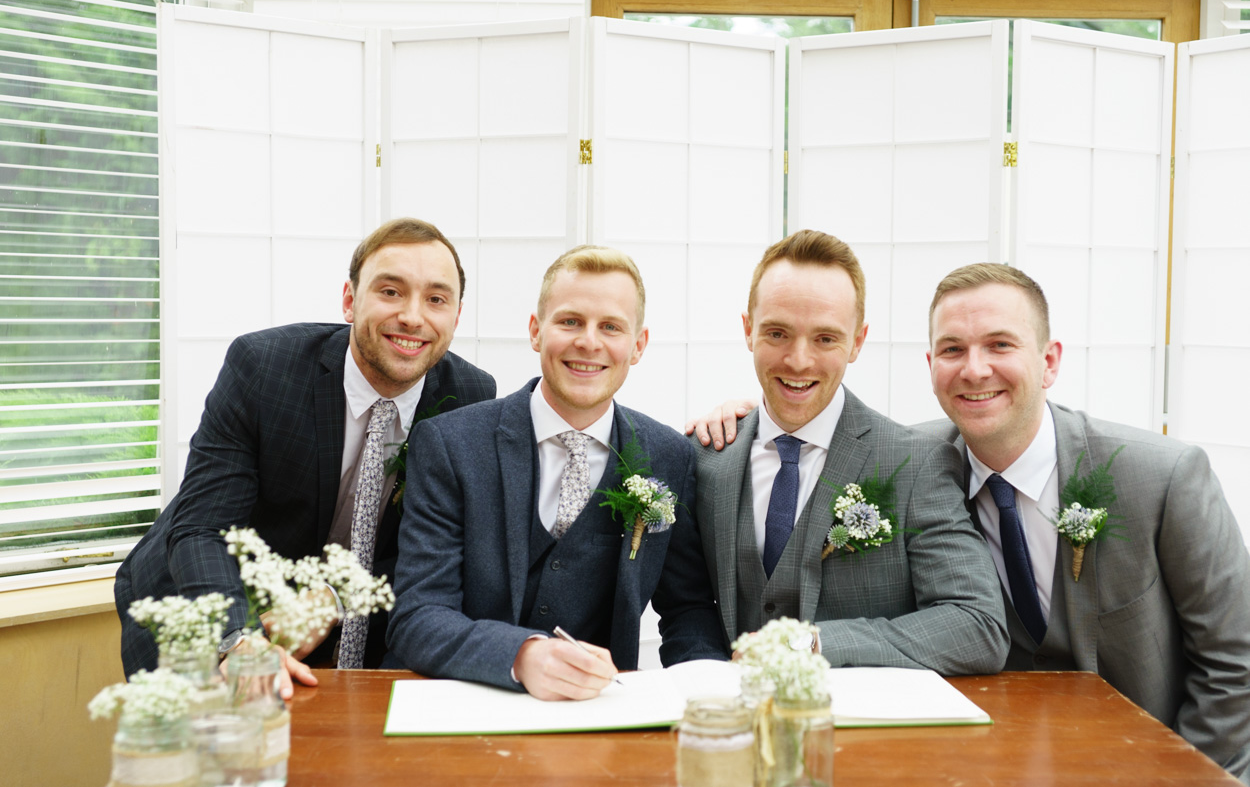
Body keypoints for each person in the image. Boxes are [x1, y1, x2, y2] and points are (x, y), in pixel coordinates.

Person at [114, 218, 496, 693]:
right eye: (391, 292)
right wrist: (237, 641)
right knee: (210, 759)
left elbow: (436, 546)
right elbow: (201, 527)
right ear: (350, 301)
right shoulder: (264, 367)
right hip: (202, 600)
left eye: (436, 299)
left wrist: (335, 598)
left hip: (349, 622)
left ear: (457, 317)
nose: (413, 317)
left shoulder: (471, 397)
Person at [924, 262, 1250, 782]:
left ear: (1049, 361)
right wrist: (746, 424)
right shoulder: (910, 466)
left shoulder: (1165, 478)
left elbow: (1235, 665)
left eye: (1000, 345)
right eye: (952, 349)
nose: (975, 369)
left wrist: (1190, 777)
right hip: (978, 768)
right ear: (931, 363)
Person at [385, 245, 728, 700]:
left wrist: (711, 691)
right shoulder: (450, 445)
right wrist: (520, 655)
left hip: (598, 713)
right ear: (536, 330)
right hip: (464, 704)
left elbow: (687, 609)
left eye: (610, 327)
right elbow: (418, 615)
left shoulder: (670, 456)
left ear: (639, 345)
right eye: (570, 322)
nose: (589, 342)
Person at [687, 229, 1007, 674]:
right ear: (748, 330)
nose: (799, 361)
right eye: (777, 333)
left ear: (857, 341)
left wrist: (817, 644)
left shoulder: (916, 464)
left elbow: (978, 626)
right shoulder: (705, 457)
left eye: (825, 339)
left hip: (866, 731)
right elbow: (688, 608)